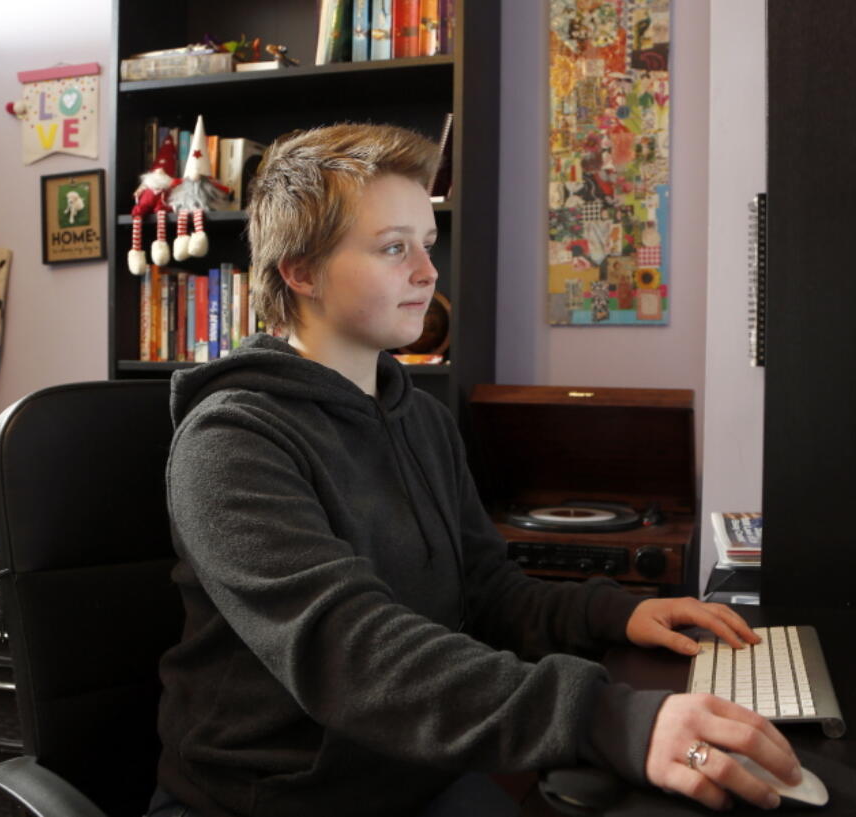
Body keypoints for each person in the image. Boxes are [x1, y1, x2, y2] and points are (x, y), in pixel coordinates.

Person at [151, 122, 802, 817]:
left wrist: (619, 611)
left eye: (426, 245)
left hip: (414, 776)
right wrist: (605, 719)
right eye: (393, 248)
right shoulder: (231, 440)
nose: (429, 273)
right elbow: (354, 654)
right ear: (301, 271)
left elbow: (487, 592)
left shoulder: (420, 418)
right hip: (275, 801)